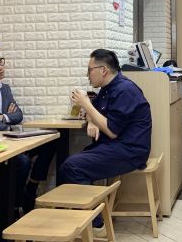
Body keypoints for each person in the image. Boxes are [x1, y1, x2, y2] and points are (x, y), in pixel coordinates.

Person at [60, 49, 152, 231]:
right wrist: (91, 120)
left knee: (72, 167)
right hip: (115, 145)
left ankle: (97, 224)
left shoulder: (125, 90)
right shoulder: (107, 88)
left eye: (89, 70)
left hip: (130, 151)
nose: (87, 75)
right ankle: (77, 218)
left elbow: (111, 131)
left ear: (103, 70)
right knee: (68, 166)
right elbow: (94, 113)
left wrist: (86, 104)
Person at [0, 48, 57, 213]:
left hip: (7, 141)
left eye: (0, 62)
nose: (0, 67)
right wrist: (6, 121)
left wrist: (1, 117)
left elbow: (18, 115)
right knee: (22, 162)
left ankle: (31, 189)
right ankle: (12, 207)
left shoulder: (5, 89)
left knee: (52, 142)